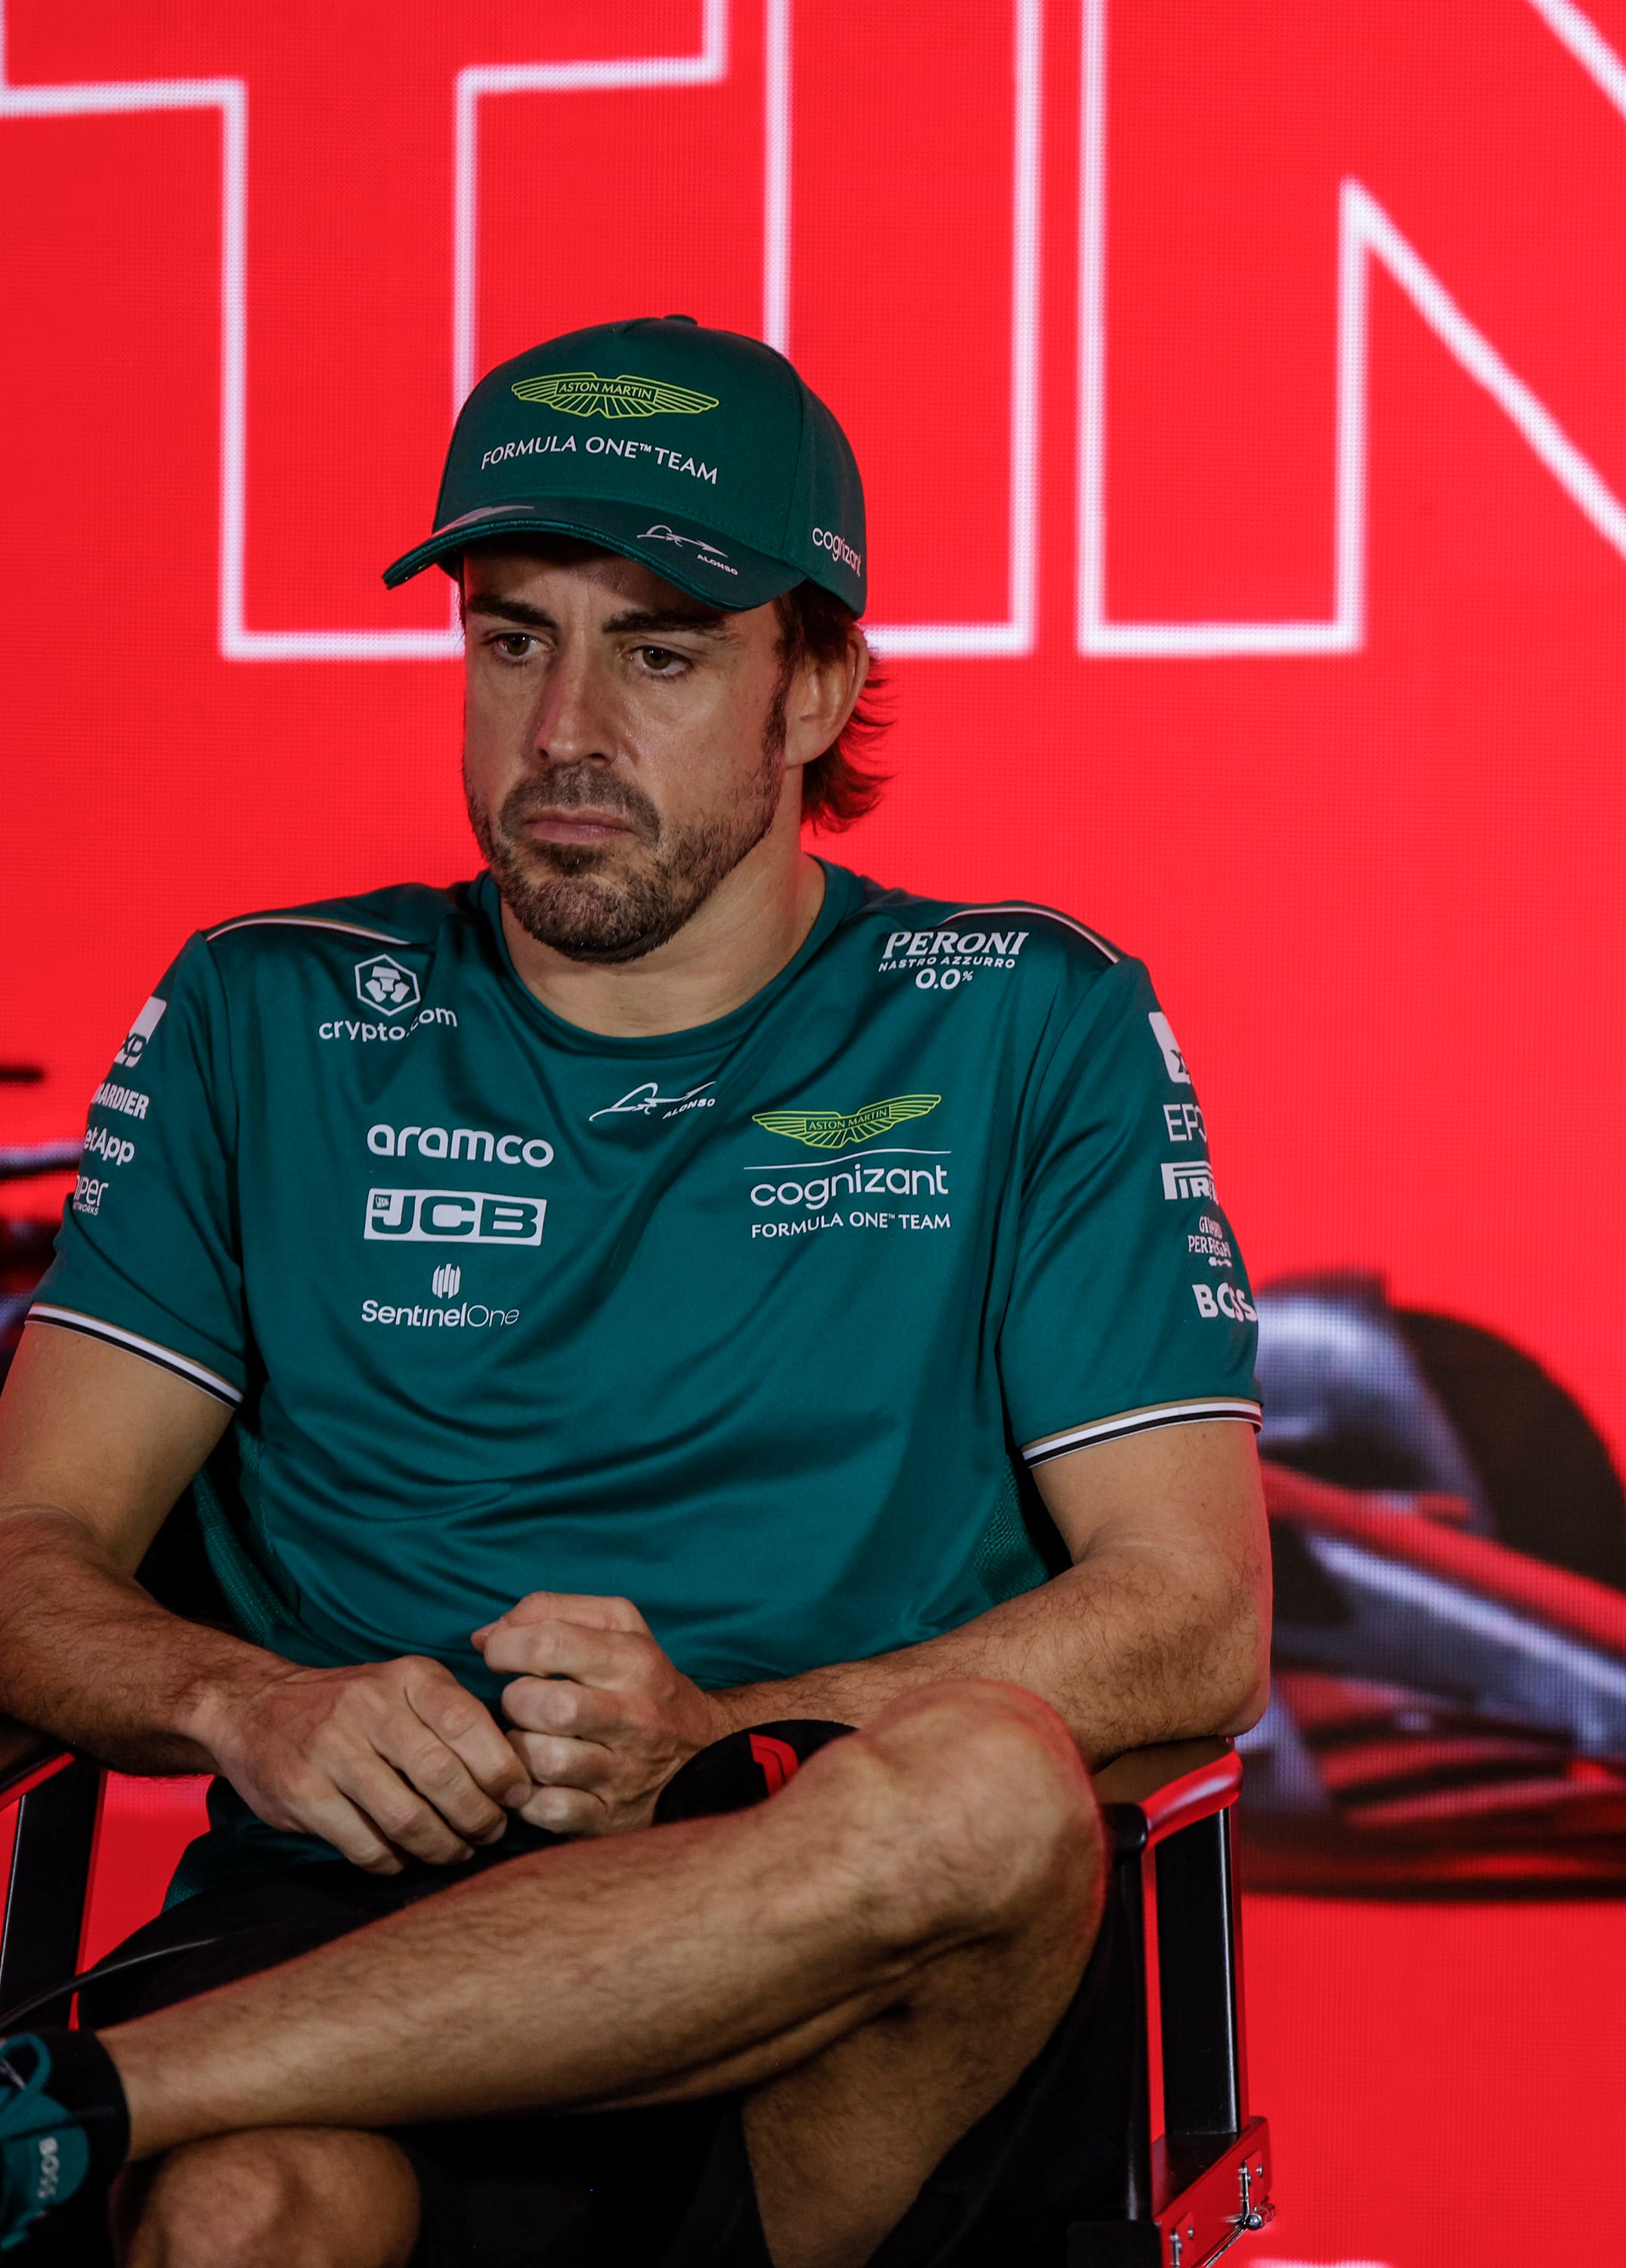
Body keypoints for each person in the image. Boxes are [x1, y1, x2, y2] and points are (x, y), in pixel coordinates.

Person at [0, 314, 1271, 2266]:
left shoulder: (1033, 1021)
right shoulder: (269, 1014)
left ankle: (80, 2110)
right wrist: (244, 1705)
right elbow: (24, 1552)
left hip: (829, 1946)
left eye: (659, 652)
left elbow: (1193, 1627)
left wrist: (716, 1728)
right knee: (244, 2218)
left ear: (822, 682)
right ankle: (141, 2125)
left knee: (996, 1803)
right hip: (359, 1938)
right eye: (515, 638)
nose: (565, 732)